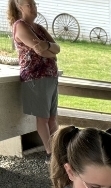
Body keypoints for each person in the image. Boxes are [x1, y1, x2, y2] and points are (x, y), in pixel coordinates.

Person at [7, 0, 60, 161]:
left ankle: (58, 150)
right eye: (29, 4)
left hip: (51, 76)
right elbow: (41, 52)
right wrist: (50, 50)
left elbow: (57, 48)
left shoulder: (40, 28)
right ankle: (50, 152)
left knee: (53, 118)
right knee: (42, 118)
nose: (33, 7)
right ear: (20, 7)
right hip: (35, 77)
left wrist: (48, 46)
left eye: (35, 4)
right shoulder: (20, 26)